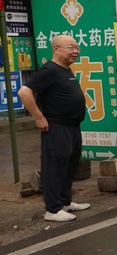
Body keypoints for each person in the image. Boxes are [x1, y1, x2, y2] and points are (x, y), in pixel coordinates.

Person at [17, 34, 89, 222]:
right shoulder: (49, 70)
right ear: (56, 49)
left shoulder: (65, 69)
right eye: (71, 48)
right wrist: (39, 117)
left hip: (72, 126)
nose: (76, 51)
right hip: (56, 127)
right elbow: (24, 92)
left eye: (77, 48)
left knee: (69, 164)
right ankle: (53, 209)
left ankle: (65, 201)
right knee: (55, 166)